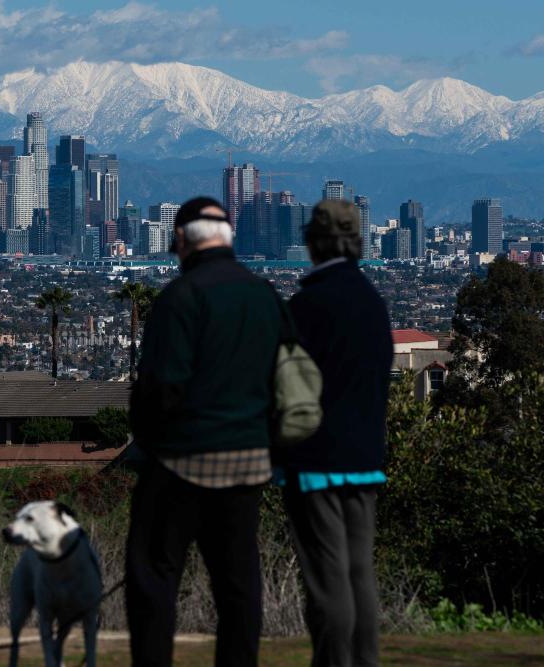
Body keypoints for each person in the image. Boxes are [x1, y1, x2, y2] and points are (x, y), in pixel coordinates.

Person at [126, 197, 283, 667]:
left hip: (182, 462)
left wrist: (152, 445)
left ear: (179, 242)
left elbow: (157, 391)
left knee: (153, 575)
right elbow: (295, 381)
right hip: (249, 463)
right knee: (238, 583)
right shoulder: (266, 297)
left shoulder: (181, 298)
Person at [276, 200, 393, 667]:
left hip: (316, 461)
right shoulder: (373, 302)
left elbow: (283, 382)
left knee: (327, 576)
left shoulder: (306, 306)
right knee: (359, 572)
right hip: (365, 458)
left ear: (312, 244)